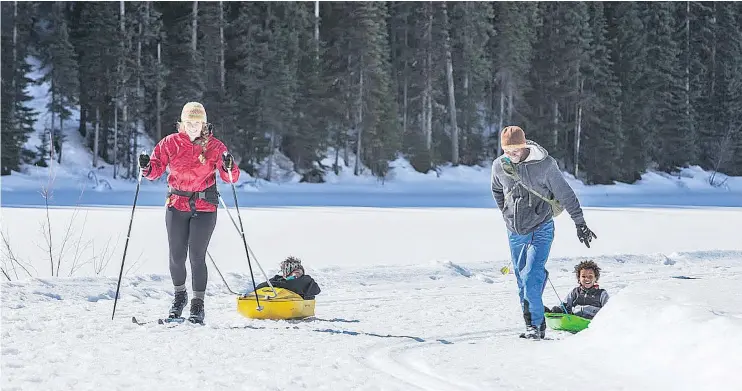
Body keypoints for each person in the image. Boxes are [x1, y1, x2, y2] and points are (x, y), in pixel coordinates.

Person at [491, 125, 597, 340]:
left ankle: (536, 326)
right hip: (515, 231)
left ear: (524, 145)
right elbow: (496, 190)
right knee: (522, 280)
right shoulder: (499, 166)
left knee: (530, 276)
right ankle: (530, 322)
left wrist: (580, 223)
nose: (511, 156)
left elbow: (566, 194)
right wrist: (506, 213)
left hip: (541, 227)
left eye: (515, 151)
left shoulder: (545, 165)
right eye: (507, 151)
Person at [138, 101, 240, 324]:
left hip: (205, 206)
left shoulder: (215, 146)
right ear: (182, 123)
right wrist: (146, 167)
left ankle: (198, 303)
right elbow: (154, 170)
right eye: (189, 123)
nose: (193, 127)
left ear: (204, 123)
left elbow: (230, 177)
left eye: (198, 123)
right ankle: (179, 296)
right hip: (176, 203)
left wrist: (228, 166)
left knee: (196, 255)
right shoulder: (170, 143)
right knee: (176, 256)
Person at [254, 256, 321, 300]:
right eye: (295, 272)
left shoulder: (306, 280)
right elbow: (259, 288)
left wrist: (274, 284)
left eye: (299, 272)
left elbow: (293, 285)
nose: (297, 275)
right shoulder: (278, 279)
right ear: (286, 274)